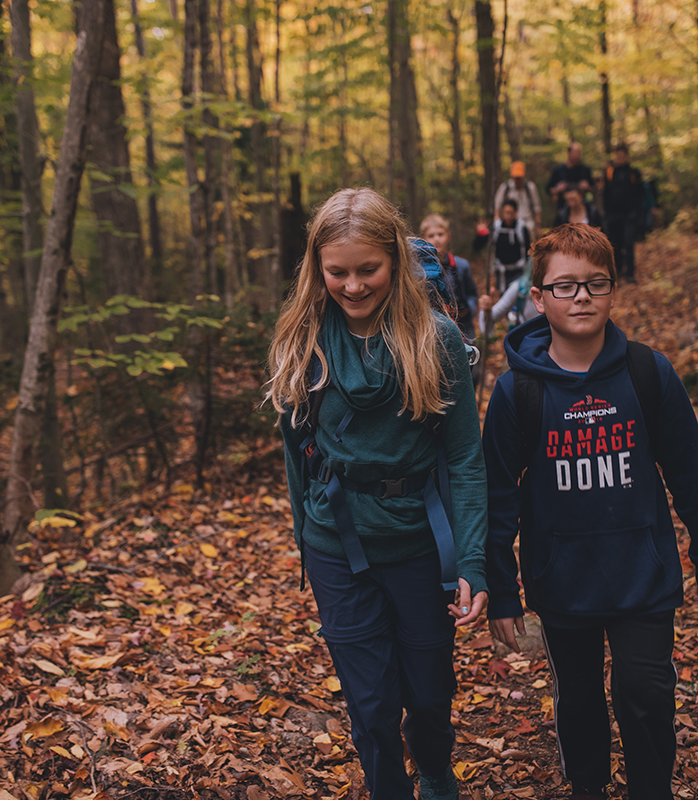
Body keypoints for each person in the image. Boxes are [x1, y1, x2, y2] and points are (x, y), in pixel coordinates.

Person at [484, 224, 698, 800]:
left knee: (645, 693)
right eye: (565, 286)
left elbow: (690, 470)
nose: (581, 297)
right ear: (538, 296)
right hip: (561, 578)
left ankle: (652, 789)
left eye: (596, 284)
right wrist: (501, 588)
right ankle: (588, 787)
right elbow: (496, 495)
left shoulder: (648, 373)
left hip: (642, 575)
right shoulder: (517, 393)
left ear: (612, 291)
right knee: (578, 697)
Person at [265, 187, 488, 800]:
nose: (354, 286)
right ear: (317, 268)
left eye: (370, 269)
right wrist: (307, 547)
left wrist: (472, 561)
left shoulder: (435, 339)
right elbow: (295, 457)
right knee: (370, 703)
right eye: (337, 272)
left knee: (429, 691)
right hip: (338, 545)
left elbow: (466, 457)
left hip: (419, 541)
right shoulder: (300, 341)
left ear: (395, 260)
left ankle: (436, 771)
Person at [421, 213, 479, 339]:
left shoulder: (462, 266)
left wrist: (468, 308)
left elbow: (472, 294)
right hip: (432, 332)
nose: (436, 239)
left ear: (448, 236)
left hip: (464, 329)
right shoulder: (419, 271)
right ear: (423, 239)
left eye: (440, 234)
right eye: (431, 235)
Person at [603, 143, 645, 282]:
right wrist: (607, 214)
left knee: (628, 243)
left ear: (627, 156)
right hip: (613, 216)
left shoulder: (633, 173)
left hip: (630, 215)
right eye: (618, 155)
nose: (620, 158)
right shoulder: (610, 172)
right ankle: (618, 271)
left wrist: (638, 215)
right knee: (615, 244)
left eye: (622, 155)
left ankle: (630, 273)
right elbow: (605, 194)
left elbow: (640, 194)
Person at [474, 199, 532, 294]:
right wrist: (481, 235)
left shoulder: (522, 228)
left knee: (517, 297)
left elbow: (527, 249)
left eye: (511, 213)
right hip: (501, 273)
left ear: (516, 213)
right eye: (506, 213)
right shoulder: (495, 228)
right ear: (502, 213)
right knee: (504, 297)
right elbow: (477, 246)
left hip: (519, 272)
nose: (508, 216)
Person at [549, 141, 594, 225]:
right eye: (575, 152)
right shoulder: (559, 170)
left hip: (584, 213)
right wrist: (558, 189)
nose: (577, 155)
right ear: (568, 153)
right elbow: (549, 189)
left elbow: (593, 190)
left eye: (579, 153)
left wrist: (587, 187)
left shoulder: (585, 170)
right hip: (563, 212)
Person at [494, 161, 542, 238]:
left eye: (519, 178)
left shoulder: (530, 187)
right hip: (510, 224)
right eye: (516, 178)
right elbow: (497, 206)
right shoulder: (505, 188)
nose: (517, 180)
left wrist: (538, 226)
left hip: (528, 222)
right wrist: (497, 223)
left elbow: (536, 207)